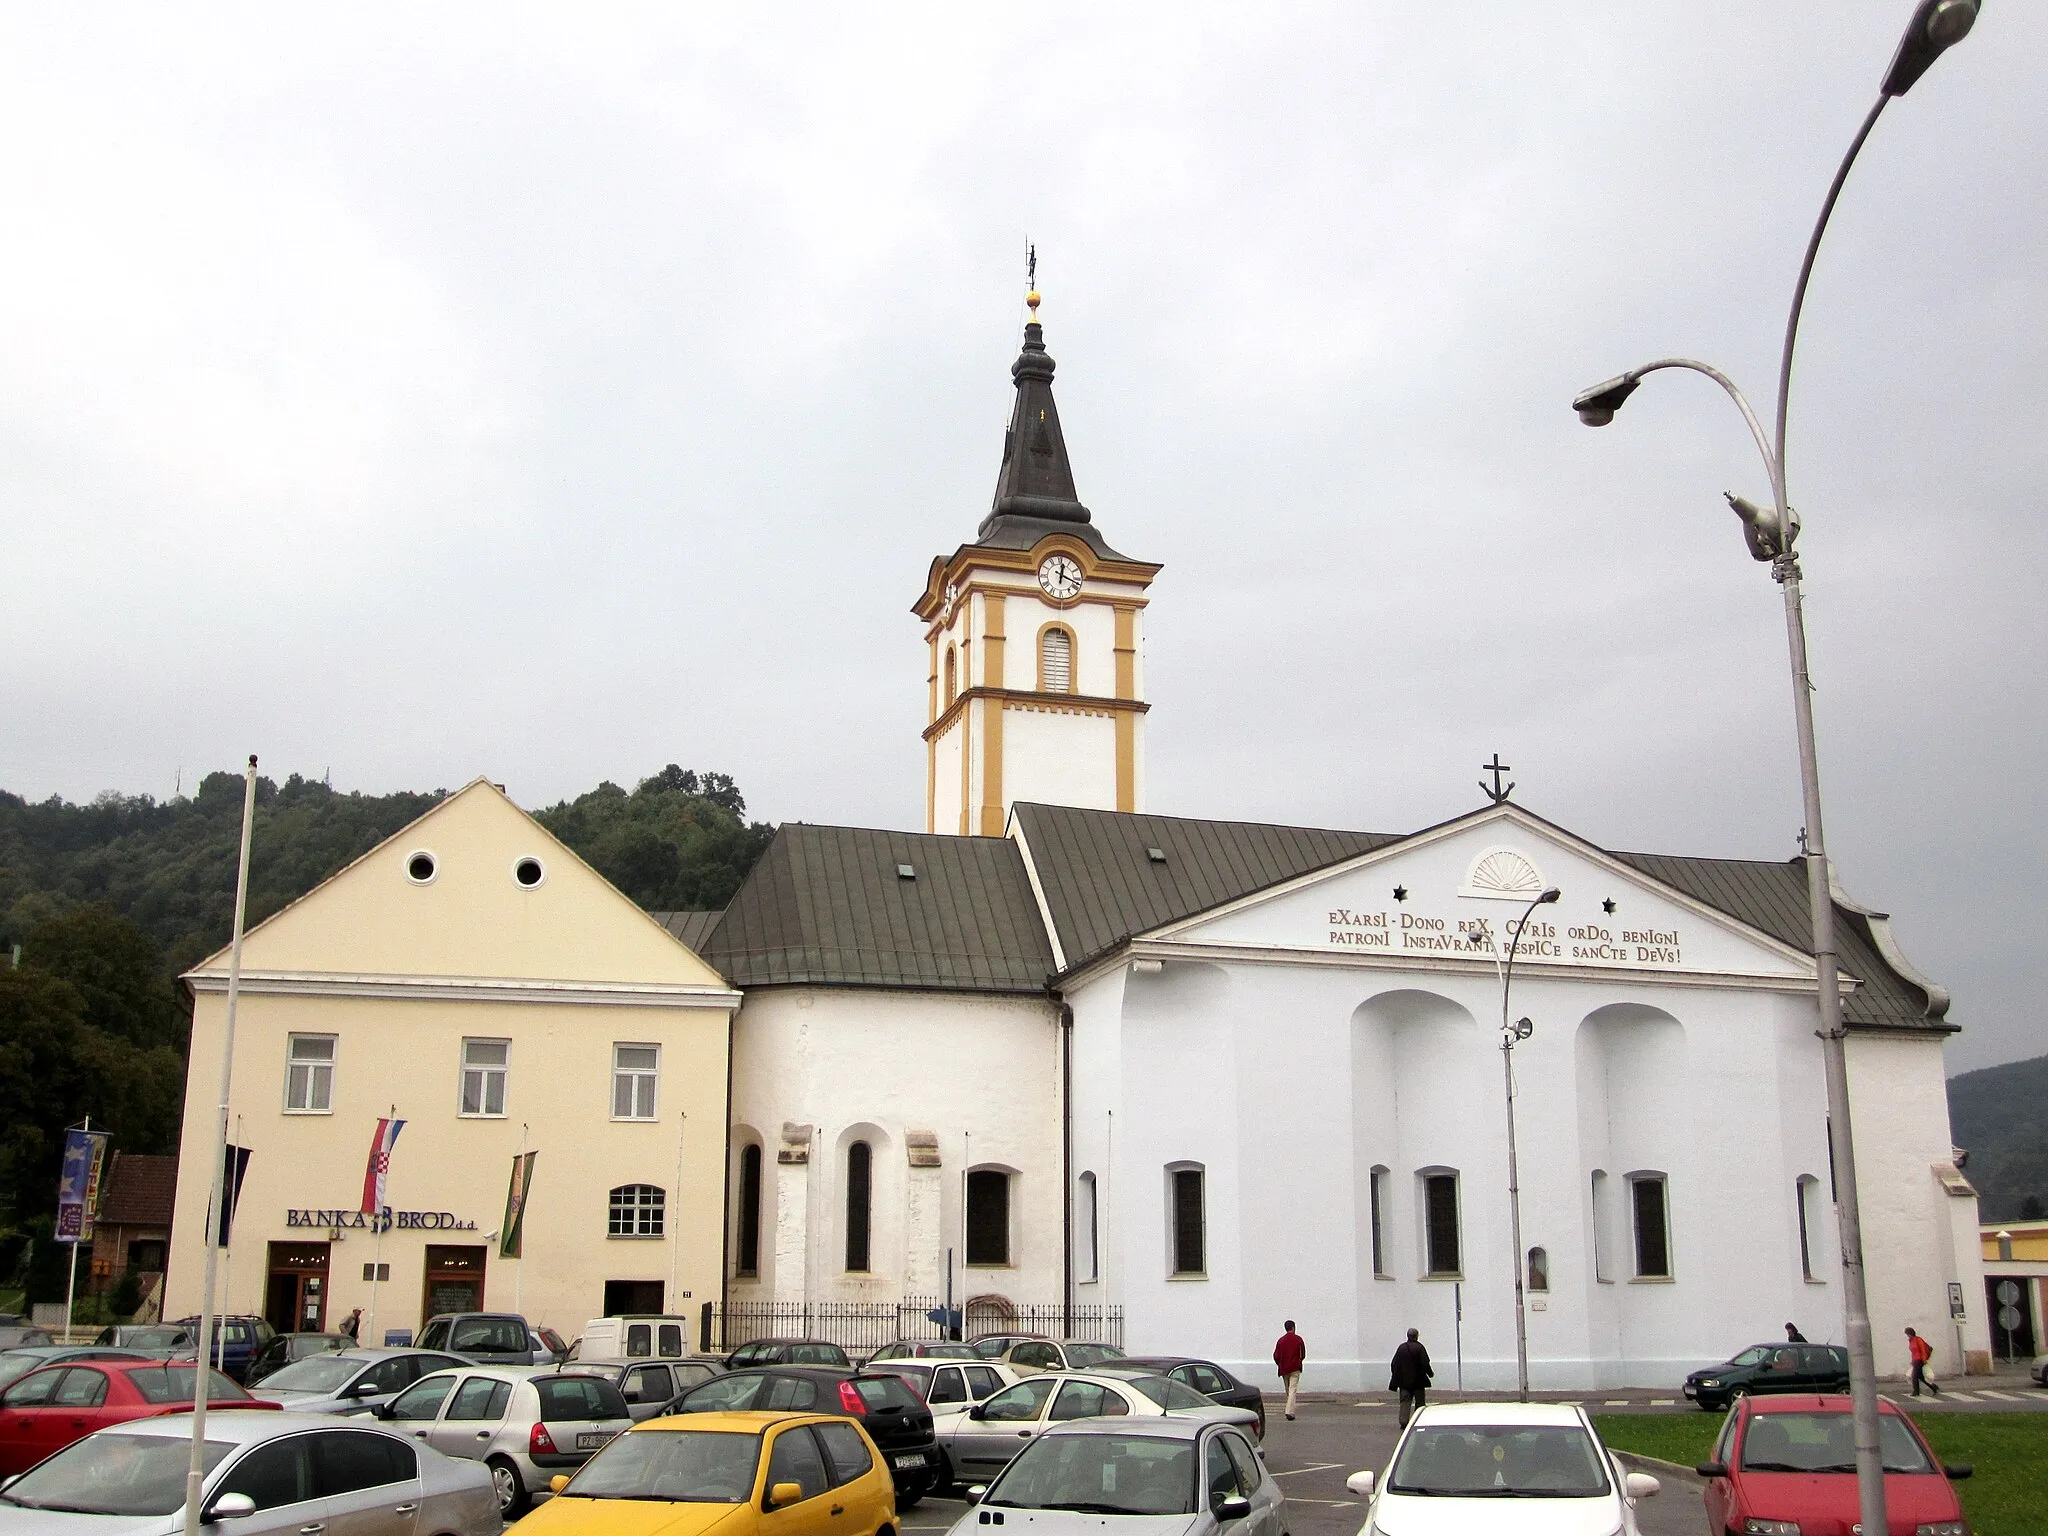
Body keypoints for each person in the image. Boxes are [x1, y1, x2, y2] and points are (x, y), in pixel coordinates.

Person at [1389, 1328, 1433, 1429]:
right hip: (1418, 1381)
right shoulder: (1420, 1348)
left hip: (1404, 1382)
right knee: (1420, 1402)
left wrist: (1397, 1376)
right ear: (1416, 1336)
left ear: (1407, 1336)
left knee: (1405, 1401)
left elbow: (1394, 1364)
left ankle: (1404, 1421)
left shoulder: (1401, 1348)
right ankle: (1418, 1420)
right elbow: (1425, 1363)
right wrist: (1430, 1374)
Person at [1273, 1320, 1306, 1420]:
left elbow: (1276, 1356)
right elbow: (1303, 1354)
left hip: (1284, 1369)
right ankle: (1289, 1411)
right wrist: (1299, 1361)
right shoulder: (1298, 1339)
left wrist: (1280, 1364)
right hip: (1295, 1368)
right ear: (1293, 1328)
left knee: (1288, 1390)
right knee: (1292, 1390)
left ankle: (1289, 1409)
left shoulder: (1280, 1340)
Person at [1906, 1326, 1939, 1397]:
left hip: (1920, 1360)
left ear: (1911, 1333)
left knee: (1914, 1376)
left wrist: (1924, 1360)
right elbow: (1913, 1352)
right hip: (1915, 1360)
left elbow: (1923, 1350)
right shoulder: (1911, 1341)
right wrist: (1912, 1361)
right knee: (1920, 1377)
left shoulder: (1918, 1339)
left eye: (1908, 1334)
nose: (1907, 1335)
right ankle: (1934, 1387)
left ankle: (1916, 1391)